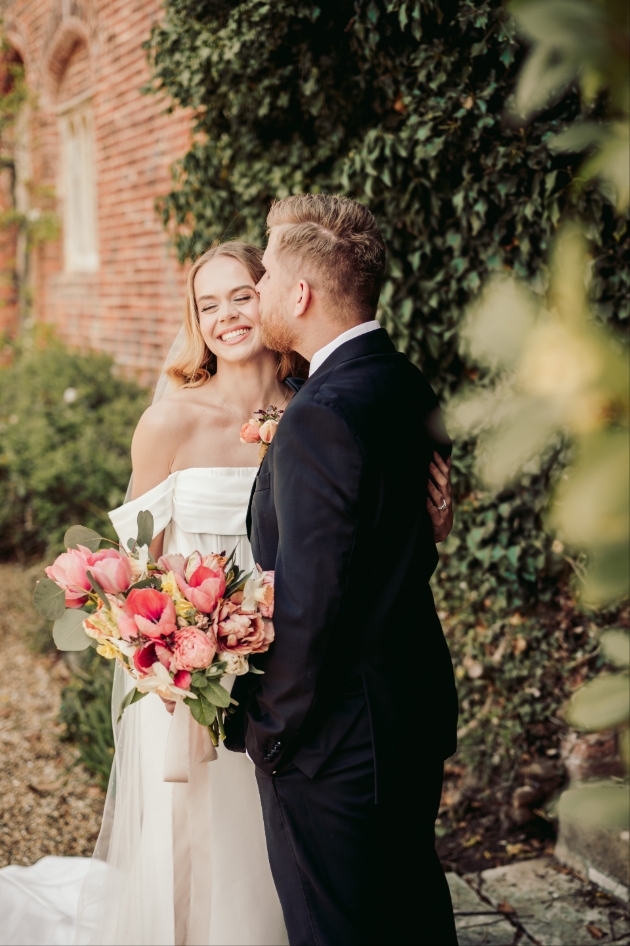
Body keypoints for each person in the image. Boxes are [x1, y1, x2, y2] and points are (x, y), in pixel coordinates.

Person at [225, 196, 459, 946]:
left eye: (265, 277)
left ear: (301, 294)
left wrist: (269, 733)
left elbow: (311, 607)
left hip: (338, 743)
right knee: (411, 915)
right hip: (408, 710)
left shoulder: (320, 414)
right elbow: (402, 542)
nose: (256, 290)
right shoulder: (405, 381)